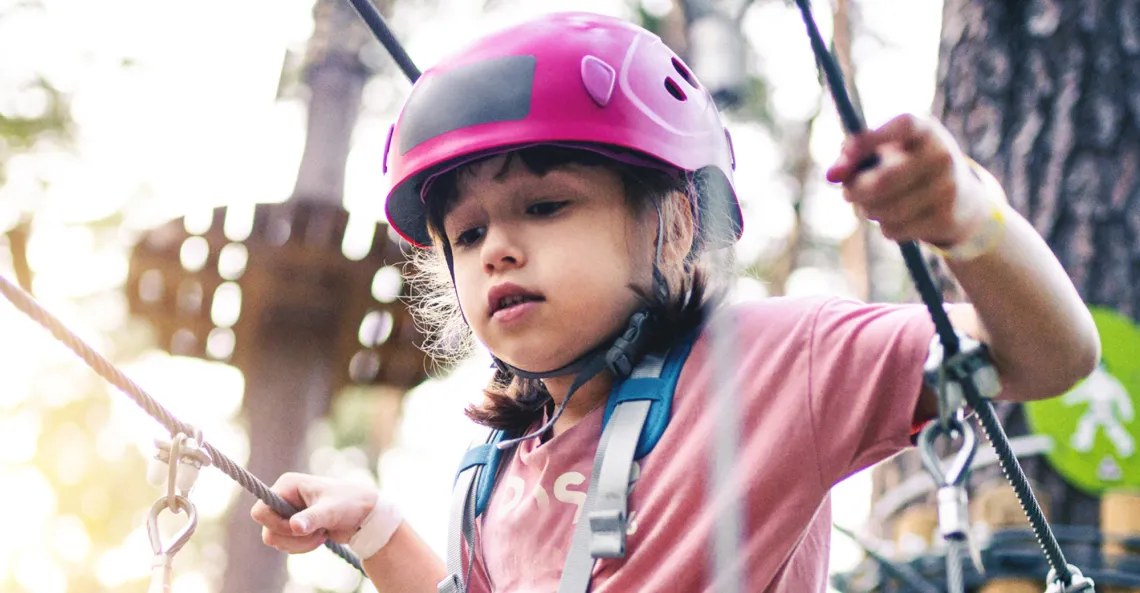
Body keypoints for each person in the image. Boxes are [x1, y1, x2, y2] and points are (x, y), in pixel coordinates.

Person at [251, 11, 1099, 592]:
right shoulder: (492, 475)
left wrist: (969, 223)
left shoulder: (772, 364)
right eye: (467, 235)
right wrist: (374, 528)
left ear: (676, 221)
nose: (498, 248)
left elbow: (1047, 357)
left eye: (546, 206)